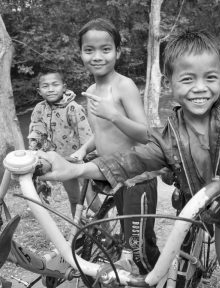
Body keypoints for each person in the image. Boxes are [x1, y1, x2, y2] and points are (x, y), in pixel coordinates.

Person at [38, 30, 220, 288]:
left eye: (210, 77)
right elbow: (132, 160)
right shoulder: (170, 136)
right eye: (187, 79)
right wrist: (77, 169)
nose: (200, 87)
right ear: (168, 82)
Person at [70, 18, 160, 274]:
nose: (97, 56)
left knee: (139, 241)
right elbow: (100, 133)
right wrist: (84, 150)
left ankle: (156, 278)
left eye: (105, 49)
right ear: (81, 53)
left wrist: (114, 115)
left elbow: (146, 135)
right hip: (114, 177)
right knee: (130, 235)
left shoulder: (124, 86)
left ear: (117, 52)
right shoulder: (90, 90)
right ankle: (142, 274)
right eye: (89, 50)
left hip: (136, 177)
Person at [28, 67, 93, 217]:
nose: (50, 89)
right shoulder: (39, 109)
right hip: (60, 162)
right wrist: (35, 153)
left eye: (55, 85)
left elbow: (87, 136)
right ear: (39, 91)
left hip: (80, 162)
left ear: (64, 87)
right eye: (45, 86)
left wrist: (87, 157)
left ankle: (105, 232)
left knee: (91, 201)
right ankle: (80, 233)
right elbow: (36, 134)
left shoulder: (73, 108)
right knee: (74, 199)